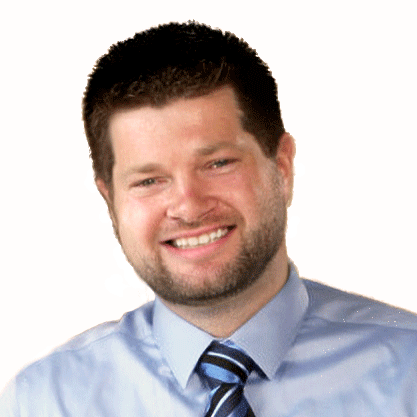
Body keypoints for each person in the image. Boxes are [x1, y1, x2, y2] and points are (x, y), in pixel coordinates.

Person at [1, 21, 416, 416]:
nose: (189, 205)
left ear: (283, 168)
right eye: (148, 180)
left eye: (218, 163)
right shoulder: (45, 401)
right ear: (109, 200)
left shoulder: (407, 372)